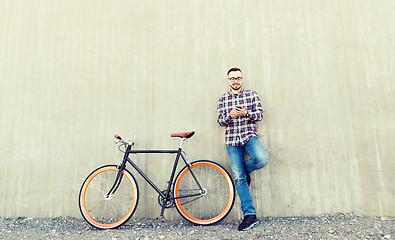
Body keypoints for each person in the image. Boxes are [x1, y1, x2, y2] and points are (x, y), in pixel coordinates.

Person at [217, 67, 268, 231]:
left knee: (261, 160)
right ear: (228, 81)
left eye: (238, 78)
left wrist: (246, 113)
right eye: (232, 78)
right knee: (239, 178)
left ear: (242, 79)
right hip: (231, 140)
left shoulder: (252, 94)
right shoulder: (223, 98)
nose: (236, 81)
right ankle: (250, 215)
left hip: (248, 136)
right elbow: (220, 121)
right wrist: (229, 116)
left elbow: (259, 115)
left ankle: (244, 171)